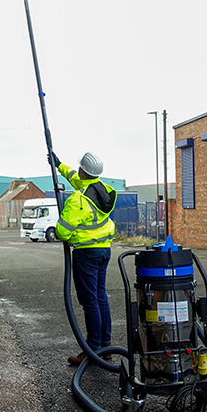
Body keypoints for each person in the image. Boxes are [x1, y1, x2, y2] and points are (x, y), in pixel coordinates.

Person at [50, 150, 118, 365]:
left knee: (89, 301)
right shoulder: (103, 190)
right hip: (104, 250)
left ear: (83, 170)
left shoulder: (78, 199)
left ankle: (92, 348)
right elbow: (74, 177)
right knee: (100, 297)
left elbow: (62, 232)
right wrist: (58, 164)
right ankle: (106, 346)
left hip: (86, 253)